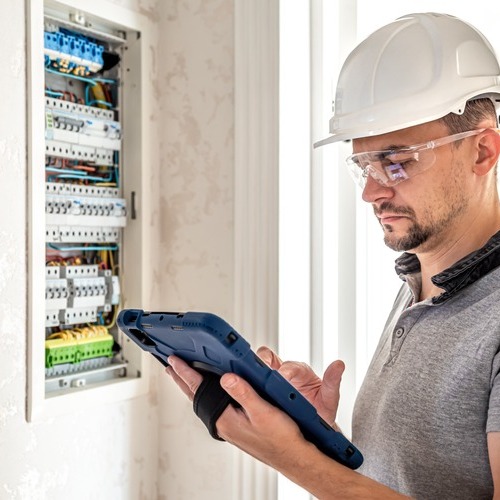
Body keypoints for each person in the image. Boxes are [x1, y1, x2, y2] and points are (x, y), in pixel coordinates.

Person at [166, 12, 500, 499]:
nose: (370, 191)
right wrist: (315, 443)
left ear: (482, 150)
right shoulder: (421, 282)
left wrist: (293, 460)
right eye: (364, 163)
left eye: (397, 162)